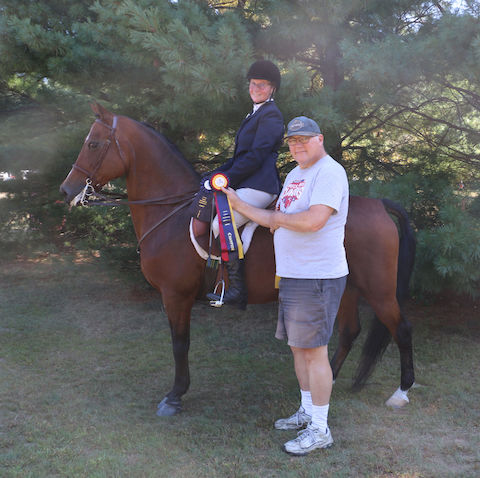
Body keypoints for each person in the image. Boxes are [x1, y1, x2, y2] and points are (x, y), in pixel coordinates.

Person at [221, 116, 349, 455]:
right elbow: (272, 219)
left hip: (317, 275)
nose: (297, 145)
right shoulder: (294, 174)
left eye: (304, 139)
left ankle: (320, 428)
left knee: (315, 351)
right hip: (292, 275)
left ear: (319, 139)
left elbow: (314, 220)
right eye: (292, 141)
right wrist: (237, 203)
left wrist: (277, 220)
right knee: (298, 348)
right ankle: (307, 410)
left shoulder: (329, 172)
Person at [201, 60, 284, 309]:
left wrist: (228, 179)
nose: (255, 87)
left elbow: (257, 155)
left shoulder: (271, 114)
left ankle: (237, 289)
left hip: (260, 185)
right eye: (252, 83)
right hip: (248, 182)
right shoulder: (255, 114)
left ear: (272, 89)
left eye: (261, 84)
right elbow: (240, 157)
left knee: (220, 223)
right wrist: (214, 174)